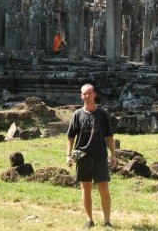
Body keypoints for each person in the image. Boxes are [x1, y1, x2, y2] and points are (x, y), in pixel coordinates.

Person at [66, 83, 117, 229]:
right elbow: (70, 137)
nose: (87, 96)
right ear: (81, 96)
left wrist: (113, 154)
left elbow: (109, 136)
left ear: (94, 94)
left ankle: (107, 221)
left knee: (103, 189)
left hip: (100, 155)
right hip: (81, 155)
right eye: (84, 94)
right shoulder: (77, 115)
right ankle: (89, 220)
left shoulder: (102, 113)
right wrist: (68, 155)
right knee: (85, 187)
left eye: (89, 93)